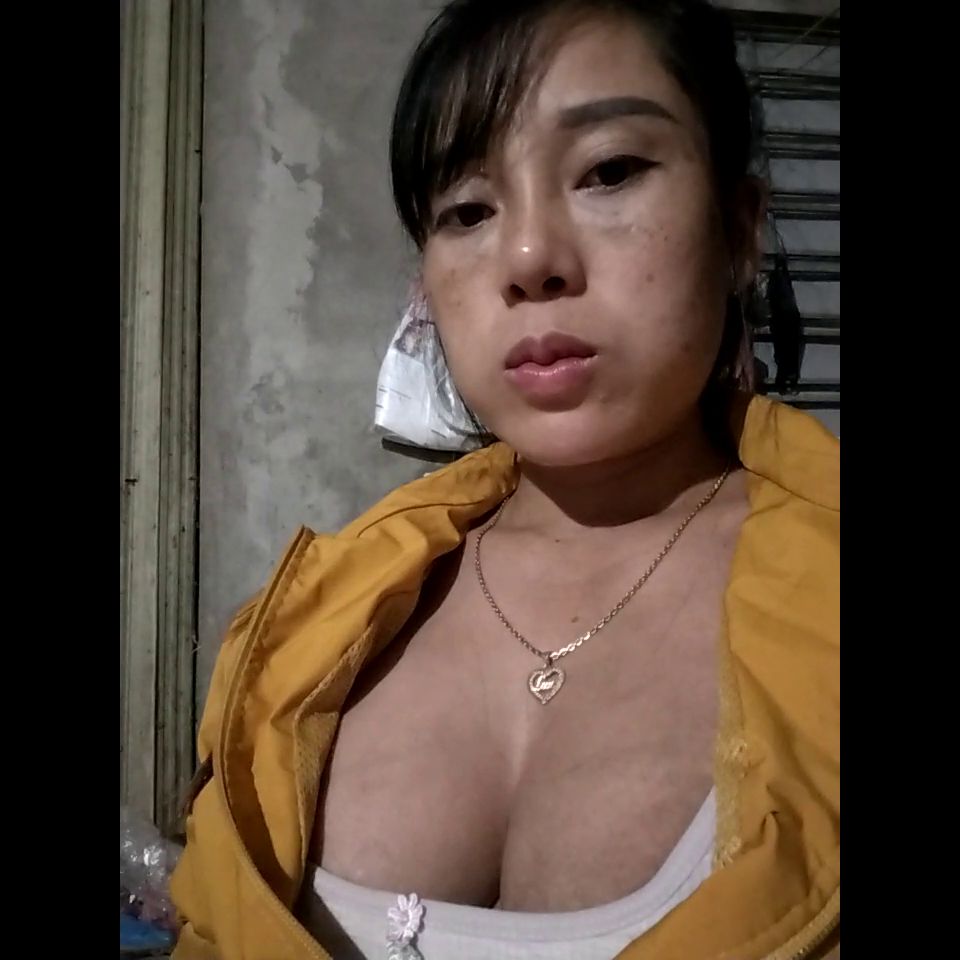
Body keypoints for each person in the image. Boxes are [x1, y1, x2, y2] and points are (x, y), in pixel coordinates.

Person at [170, 2, 840, 958]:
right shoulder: (302, 631)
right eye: (468, 211)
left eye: (609, 170)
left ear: (738, 228)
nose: (528, 259)